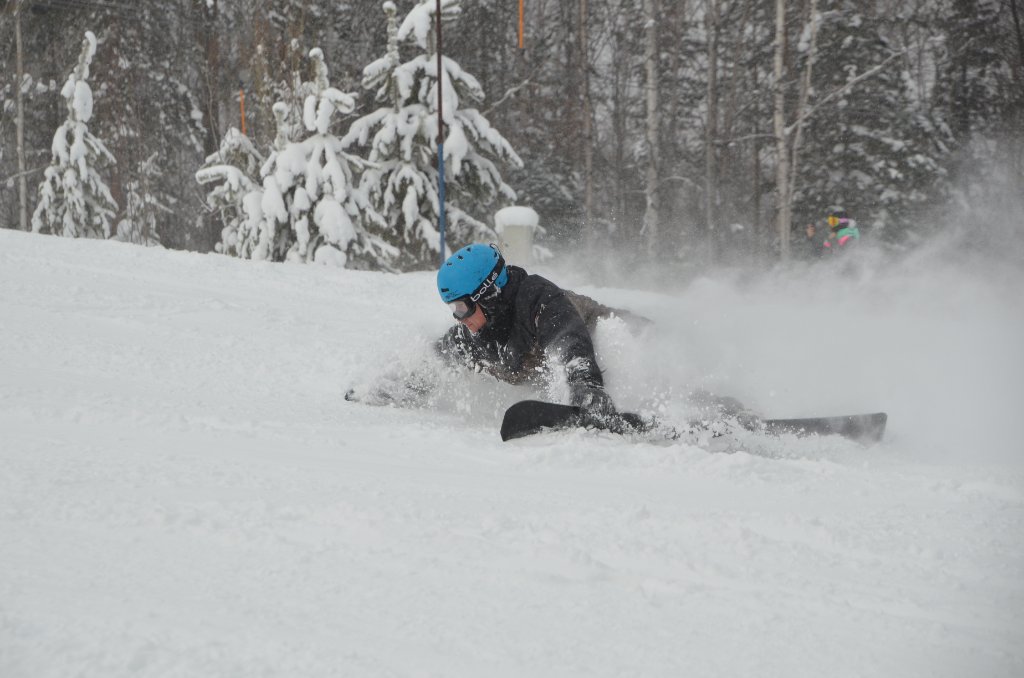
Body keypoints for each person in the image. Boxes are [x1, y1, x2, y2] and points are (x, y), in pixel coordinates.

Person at [435, 242, 618, 418]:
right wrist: (423, 379)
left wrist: (585, 386)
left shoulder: (539, 302)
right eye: (454, 309)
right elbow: (440, 355)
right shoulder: (473, 335)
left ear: (487, 297)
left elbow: (568, 340)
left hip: (598, 321)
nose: (460, 318)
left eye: (461, 307)